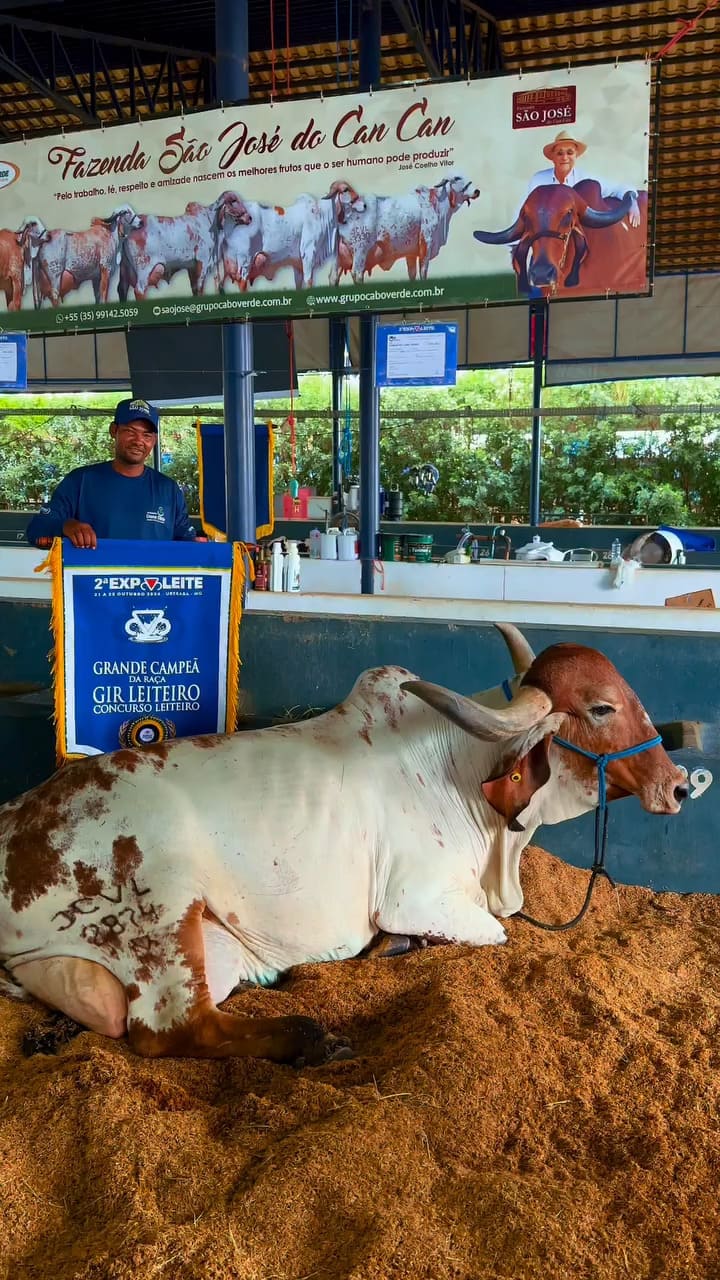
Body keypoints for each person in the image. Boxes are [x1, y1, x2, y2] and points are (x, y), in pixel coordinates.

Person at [26, 397, 196, 548]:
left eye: (147, 435)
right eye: (130, 431)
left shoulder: (169, 489)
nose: (139, 441)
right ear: (114, 431)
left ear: (154, 440)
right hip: (94, 583)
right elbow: (36, 531)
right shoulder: (81, 481)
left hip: (152, 584)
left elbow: (187, 543)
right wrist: (66, 526)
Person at [527, 130, 641, 228]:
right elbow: (524, 212)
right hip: (546, 242)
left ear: (576, 155)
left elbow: (618, 188)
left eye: (570, 152)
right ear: (553, 157)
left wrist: (631, 199)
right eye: (559, 153)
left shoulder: (586, 180)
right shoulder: (538, 180)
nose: (565, 157)